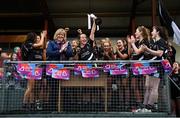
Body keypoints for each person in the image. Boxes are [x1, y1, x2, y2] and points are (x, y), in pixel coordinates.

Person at [141, 26, 169, 112]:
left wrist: (147, 49)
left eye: (153, 31)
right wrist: (145, 50)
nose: (151, 32)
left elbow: (160, 53)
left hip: (158, 67)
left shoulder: (161, 41)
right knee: (147, 87)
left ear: (157, 32)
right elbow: (150, 53)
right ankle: (144, 106)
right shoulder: (153, 42)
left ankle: (150, 106)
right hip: (151, 66)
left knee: (154, 87)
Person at [46, 28, 73, 112]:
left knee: (64, 89)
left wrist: (65, 49)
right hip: (53, 69)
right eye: (59, 34)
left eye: (62, 35)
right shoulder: (51, 43)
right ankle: (52, 108)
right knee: (53, 89)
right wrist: (61, 50)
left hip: (64, 69)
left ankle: (65, 108)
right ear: (56, 35)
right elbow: (49, 53)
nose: (60, 36)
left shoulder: (67, 44)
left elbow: (70, 54)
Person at [22, 31, 47, 111]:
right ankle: (25, 104)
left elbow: (41, 46)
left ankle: (32, 104)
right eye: (36, 37)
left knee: (33, 88)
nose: (37, 39)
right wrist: (43, 36)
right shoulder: (28, 43)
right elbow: (40, 44)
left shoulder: (32, 46)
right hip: (30, 67)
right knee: (30, 87)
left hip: (34, 68)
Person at [128, 26, 150, 111]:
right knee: (134, 86)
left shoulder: (145, 41)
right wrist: (130, 43)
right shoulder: (137, 42)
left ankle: (143, 104)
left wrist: (133, 43)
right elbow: (131, 53)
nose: (135, 33)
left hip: (142, 66)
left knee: (141, 86)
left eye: (136, 31)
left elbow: (138, 52)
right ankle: (139, 103)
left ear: (141, 32)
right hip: (135, 66)